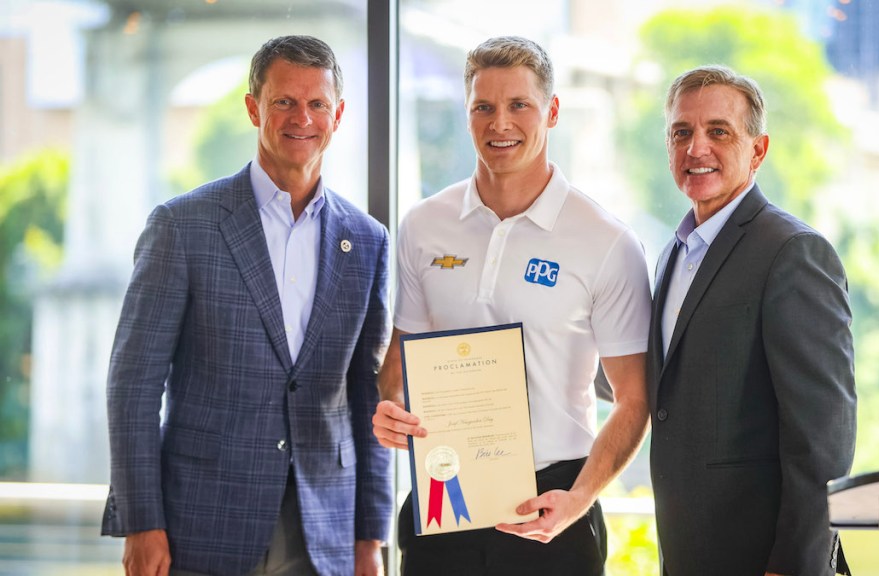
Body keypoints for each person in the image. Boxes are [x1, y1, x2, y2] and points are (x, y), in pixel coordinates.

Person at [102, 35, 392, 576]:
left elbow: (365, 395)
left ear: (339, 114)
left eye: (317, 104)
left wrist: (369, 536)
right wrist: (142, 523)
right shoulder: (182, 226)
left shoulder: (368, 239)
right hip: (201, 522)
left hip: (323, 529)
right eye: (284, 101)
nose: (301, 117)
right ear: (254, 106)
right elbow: (133, 385)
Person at [371, 36, 651, 576]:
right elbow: (399, 366)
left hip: (555, 507)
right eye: (484, 107)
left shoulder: (606, 241)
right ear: (468, 112)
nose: (500, 123)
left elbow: (634, 400)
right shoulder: (424, 225)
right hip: (442, 497)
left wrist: (580, 497)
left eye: (518, 105)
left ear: (551, 110)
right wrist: (389, 411)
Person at [648, 64, 856, 576]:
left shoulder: (793, 252)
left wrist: (793, 563)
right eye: (682, 133)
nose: (696, 148)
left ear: (757, 150)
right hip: (688, 552)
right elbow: (669, 387)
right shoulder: (672, 255)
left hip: (764, 558)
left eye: (718, 131)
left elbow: (822, 439)